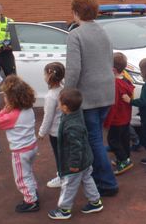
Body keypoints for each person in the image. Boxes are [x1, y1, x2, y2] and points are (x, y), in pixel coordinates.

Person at [64, 0, 118, 196]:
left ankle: (107, 183)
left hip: (88, 95)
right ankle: (97, 177)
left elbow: (73, 70)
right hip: (106, 92)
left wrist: (66, 95)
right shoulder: (104, 32)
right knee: (95, 138)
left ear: (76, 12)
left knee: (93, 140)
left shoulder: (75, 35)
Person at [47, 88, 103, 220]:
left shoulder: (72, 125)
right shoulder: (76, 112)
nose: (58, 105)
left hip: (76, 163)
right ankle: (95, 202)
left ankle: (64, 210)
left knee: (69, 185)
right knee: (87, 178)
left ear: (65, 107)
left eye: (59, 103)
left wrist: (73, 164)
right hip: (85, 159)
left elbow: (76, 147)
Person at [0, 75, 39, 213]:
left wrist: (5, 109)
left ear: (12, 99)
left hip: (20, 152)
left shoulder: (12, 115)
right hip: (32, 147)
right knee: (28, 172)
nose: (4, 98)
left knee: (21, 177)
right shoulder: (28, 108)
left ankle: (31, 201)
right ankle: (33, 190)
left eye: (6, 96)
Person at [104, 52, 135, 175]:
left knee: (113, 141)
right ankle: (125, 157)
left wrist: (107, 120)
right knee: (124, 139)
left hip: (116, 119)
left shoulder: (115, 85)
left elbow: (114, 105)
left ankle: (123, 160)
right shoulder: (126, 80)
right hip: (125, 117)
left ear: (113, 69)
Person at [38, 62, 65, 188]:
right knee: (66, 154)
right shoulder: (64, 90)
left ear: (48, 76)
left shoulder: (50, 96)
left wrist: (42, 132)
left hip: (56, 132)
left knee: (59, 155)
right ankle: (65, 173)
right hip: (66, 128)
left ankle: (62, 176)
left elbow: (48, 117)